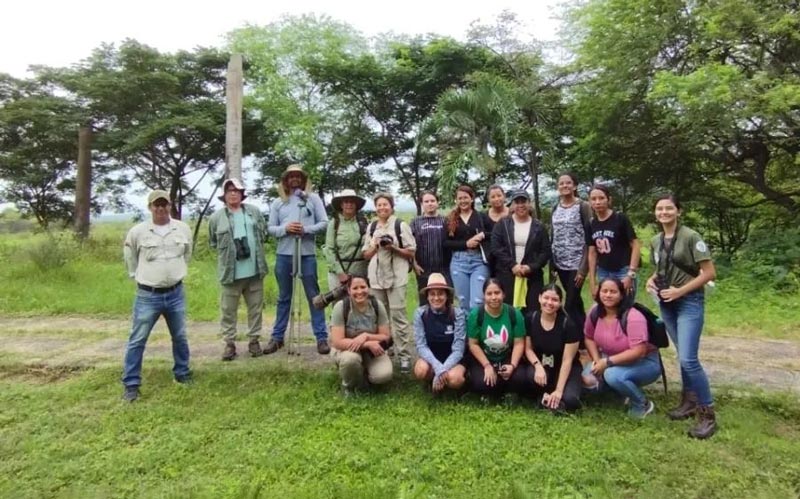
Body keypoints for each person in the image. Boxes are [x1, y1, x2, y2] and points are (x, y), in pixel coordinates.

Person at [646, 193, 718, 439]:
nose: (663, 212)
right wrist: (651, 280)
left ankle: (707, 413)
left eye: (668, 208)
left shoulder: (691, 237)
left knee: (689, 360)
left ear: (678, 211)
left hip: (688, 301)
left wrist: (680, 291)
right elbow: (662, 267)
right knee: (681, 355)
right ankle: (689, 401)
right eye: (659, 209)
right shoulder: (656, 240)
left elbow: (708, 273)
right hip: (667, 303)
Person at [121, 190, 193, 402]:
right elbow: (130, 258)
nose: (161, 209)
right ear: (150, 207)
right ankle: (131, 384)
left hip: (175, 293)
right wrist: (139, 277)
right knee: (138, 339)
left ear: (170, 206)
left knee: (179, 336)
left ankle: (182, 374)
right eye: (156, 205)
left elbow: (187, 254)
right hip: (148, 295)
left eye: (164, 205)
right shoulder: (138, 232)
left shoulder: (182, 228)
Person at [265, 165, 330, 355]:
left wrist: (306, 230)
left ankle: (321, 338)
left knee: (314, 296)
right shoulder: (278, 202)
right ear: (285, 180)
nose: (294, 179)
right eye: (291, 176)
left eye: (298, 176)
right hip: (284, 255)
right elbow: (270, 228)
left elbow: (324, 223)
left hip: (307, 254)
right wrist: (285, 229)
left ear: (303, 179)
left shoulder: (312, 199)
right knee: (284, 297)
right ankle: (277, 338)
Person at [208, 178, 269, 361]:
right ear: (224, 195)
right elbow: (213, 242)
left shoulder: (254, 212)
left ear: (242, 194)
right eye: (229, 191)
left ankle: (254, 340)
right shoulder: (216, 217)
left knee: (255, 309)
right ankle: (229, 344)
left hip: (254, 271)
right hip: (230, 273)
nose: (233, 193)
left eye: (237, 190)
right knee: (228, 310)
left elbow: (263, 233)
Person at [582, 278, 660, 419]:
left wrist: (606, 363)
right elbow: (588, 337)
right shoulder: (594, 312)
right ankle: (621, 393)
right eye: (604, 291)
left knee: (612, 375)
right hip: (608, 359)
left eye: (613, 292)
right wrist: (597, 360)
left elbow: (639, 351)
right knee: (588, 382)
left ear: (622, 295)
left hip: (644, 363)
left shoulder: (634, 316)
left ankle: (642, 404)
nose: (608, 295)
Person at [361, 192, 417, 373]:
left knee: (398, 317)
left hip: (397, 277)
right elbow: (365, 255)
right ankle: (385, 351)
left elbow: (411, 252)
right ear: (375, 208)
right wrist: (376, 245)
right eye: (379, 205)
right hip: (376, 279)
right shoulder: (372, 227)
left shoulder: (400, 225)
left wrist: (392, 247)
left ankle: (404, 357)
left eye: (385, 204)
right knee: (379, 318)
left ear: (391, 206)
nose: (382, 208)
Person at [523, 284, 583, 413]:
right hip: (543, 366)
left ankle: (553, 397)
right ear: (539, 298)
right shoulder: (530, 318)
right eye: (546, 298)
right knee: (530, 376)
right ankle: (549, 399)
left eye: (555, 300)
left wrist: (559, 390)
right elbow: (528, 349)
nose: (549, 303)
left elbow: (567, 360)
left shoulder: (569, 325)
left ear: (560, 302)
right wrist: (537, 366)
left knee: (570, 399)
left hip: (565, 368)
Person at [330, 275, 393, 396]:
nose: (359, 291)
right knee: (350, 360)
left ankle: (364, 377)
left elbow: (386, 336)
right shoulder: (341, 307)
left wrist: (366, 336)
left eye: (363, 287)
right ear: (348, 290)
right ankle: (349, 386)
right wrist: (367, 343)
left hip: (372, 351)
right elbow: (337, 342)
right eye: (355, 288)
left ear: (368, 288)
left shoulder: (377, 305)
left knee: (384, 375)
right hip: (347, 350)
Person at [490, 190, 551, 313]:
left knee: (532, 311)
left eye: (524, 201)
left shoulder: (539, 227)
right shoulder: (503, 224)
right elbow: (496, 247)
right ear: (512, 205)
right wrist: (513, 265)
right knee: (508, 310)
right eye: (517, 202)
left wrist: (530, 267)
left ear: (529, 204)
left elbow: (545, 252)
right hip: (507, 273)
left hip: (532, 276)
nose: (520, 205)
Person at [466, 278, 527, 396]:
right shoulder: (476, 315)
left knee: (521, 378)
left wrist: (512, 366)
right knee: (480, 383)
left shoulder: (514, 313)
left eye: (497, 293)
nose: (493, 297)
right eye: (489, 294)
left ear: (503, 294)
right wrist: (487, 366)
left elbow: (519, 343)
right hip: (485, 357)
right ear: (484, 296)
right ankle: (500, 390)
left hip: (506, 357)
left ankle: (503, 389)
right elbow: (473, 344)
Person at [550, 172, 593, 328]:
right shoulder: (555, 207)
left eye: (568, 183)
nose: (564, 186)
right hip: (560, 263)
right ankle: (585, 336)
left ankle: (570, 336)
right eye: (561, 183)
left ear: (574, 186)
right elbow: (553, 235)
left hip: (577, 263)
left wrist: (583, 269)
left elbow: (590, 239)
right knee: (575, 302)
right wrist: (552, 264)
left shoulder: (583, 206)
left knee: (569, 303)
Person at [412, 273, 467, 393]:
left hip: (454, 359)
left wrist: (442, 369)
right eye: (432, 294)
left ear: (447, 295)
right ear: (427, 296)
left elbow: (458, 350)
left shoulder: (458, 314)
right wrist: (437, 367)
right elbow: (421, 346)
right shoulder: (420, 314)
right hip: (431, 358)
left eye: (440, 293)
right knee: (420, 370)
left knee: (455, 379)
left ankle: (448, 384)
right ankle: (430, 381)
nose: (436, 298)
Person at [586, 185, 641, 300]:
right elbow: (592, 253)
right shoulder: (591, 223)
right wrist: (592, 281)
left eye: (601, 198)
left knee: (625, 306)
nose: (597, 202)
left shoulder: (620, 218)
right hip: (603, 271)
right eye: (594, 199)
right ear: (589, 202)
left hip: (623, 270)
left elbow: (635, 245)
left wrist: (631, 274)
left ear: (609, 200)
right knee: (606, 306)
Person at [445, 185, 492, 312]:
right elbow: (445, 243)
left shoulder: (481, 217)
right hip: (458, 262)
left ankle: (476, 331)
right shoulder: (450, 219)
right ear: (456, 200)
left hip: (479, 262)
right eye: (459, 198)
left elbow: (495, 233)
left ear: (472, 199)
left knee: (477, 302)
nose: (463, 201)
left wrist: (482, 235)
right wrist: (465, 244)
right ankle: (464, 331)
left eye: (466, 197)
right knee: (463, 303)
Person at [410, 191, 451, 305]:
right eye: (426, 201)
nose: (430, 204)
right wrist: (414, 264)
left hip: (445, 269)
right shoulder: (415, 222)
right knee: (425, 301)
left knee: (445, 301)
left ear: (437, 203)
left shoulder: (446, 221)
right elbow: (410, 245)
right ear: (422, 204)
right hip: (423, 269)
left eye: (432, 201)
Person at [324, 189, 368, 293]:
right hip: (337, 274)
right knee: (339, 306)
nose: (349, 205)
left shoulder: (363, 223)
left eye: (352, 202)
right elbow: (329, 250)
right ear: (341, 205)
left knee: (359, 304)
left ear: (356, 205)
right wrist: (340, 273)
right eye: (346, 202)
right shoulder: (334, 224)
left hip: (360, 272)